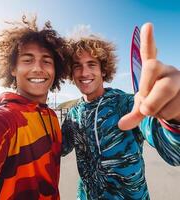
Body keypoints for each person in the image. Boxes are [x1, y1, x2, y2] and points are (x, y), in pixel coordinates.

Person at [62, 23, 180, 199]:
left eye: (91, 64)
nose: (84, 72)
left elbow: (174, 154)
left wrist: (175, 118)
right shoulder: (73, 115)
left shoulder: (127, 104)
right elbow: (58, 149)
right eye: (77, 65)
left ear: (103, 70)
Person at [0, 15, 67, 200]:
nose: (38, 68)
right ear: (13, 68)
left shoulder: (51, 116)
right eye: (27, 60)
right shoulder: (3, 119)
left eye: (47, 61)